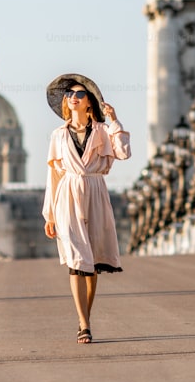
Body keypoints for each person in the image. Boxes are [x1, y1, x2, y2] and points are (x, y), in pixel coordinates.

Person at [43, 73, 131, 344]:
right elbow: (54, 177)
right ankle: (83, 323)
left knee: (91, 265)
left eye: (79, 94)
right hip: (68, 195)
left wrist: (114, 121)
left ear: (89, 103)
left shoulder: (103, 132)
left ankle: (86, 319)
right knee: (75, 261)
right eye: (69, 94)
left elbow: (124, 153)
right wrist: (49, 214)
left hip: (94, 192)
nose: (72, 97)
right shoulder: (58, 135)